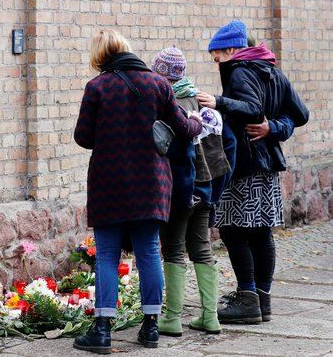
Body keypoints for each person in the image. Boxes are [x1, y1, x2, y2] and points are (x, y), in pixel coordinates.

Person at [73, 30, 202, 353]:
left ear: (100, 56)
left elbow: (83, 137)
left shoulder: (97, 87)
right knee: (148, 253)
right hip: (152, 184)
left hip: (108, 184)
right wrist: (198, 121)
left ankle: (102, 331)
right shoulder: (158, 84)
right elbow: (183, 129)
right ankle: (151, 328)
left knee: (106, 255)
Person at [196, 20, 309, 324]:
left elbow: (250, 108)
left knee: (232, 230)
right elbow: (301, 114)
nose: (215, 60)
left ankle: (248, 299)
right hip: (268, 163)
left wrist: (218, 101)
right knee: (261, 233)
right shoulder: (273, 72)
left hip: (245, 164)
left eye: (217, 53)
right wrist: (276, 128)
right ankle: (262, 300)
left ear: (233, 49)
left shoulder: (241, 71)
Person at [150, 46, 232, 337]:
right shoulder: (204, 101)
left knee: (172, 249)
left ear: (160, 74)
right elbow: (226, 150)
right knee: (202, 249)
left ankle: (172, 319)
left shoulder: (167, 103)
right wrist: (214, 192)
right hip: (207, 190)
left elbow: (176, 155)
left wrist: (177, 193)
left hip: (180, 191)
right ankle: (210, 317)